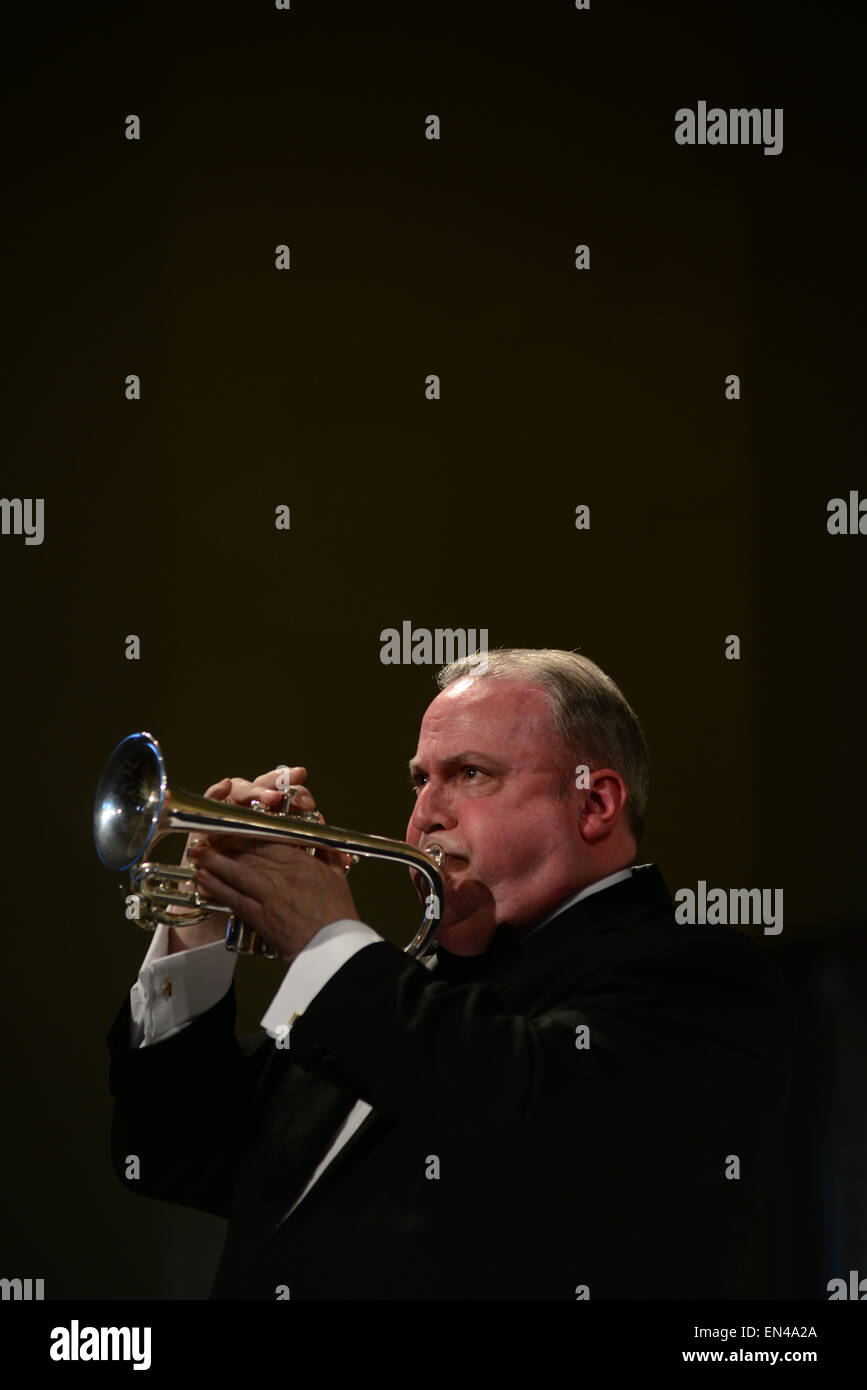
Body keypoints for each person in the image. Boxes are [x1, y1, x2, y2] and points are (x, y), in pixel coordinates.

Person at [107, 649, 792, 1299]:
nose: (424, 814)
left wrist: (322, 940)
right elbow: (173, 1154)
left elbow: (519, 1111)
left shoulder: (703, 978)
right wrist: (203, 916)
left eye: (470, 774)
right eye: (419, 778)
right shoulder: (402, 984)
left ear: (594, 804)